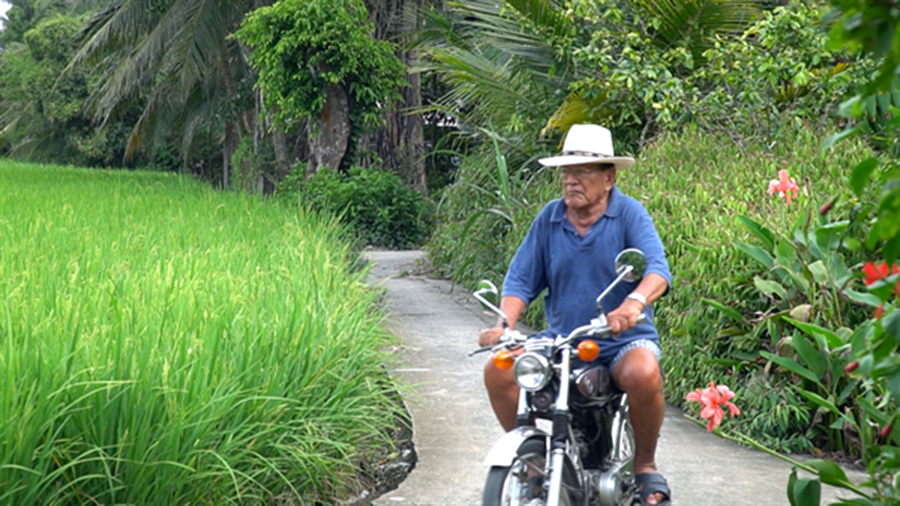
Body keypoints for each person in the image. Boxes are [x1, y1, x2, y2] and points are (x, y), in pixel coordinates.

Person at [478, 124, 672, 505]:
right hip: (563, 338)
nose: (571, 181)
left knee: (643, 372)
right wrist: (504, 324)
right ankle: (533, 460)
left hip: (620, 340)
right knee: (499, 370)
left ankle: (645, 466)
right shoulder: (549, 219)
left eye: (582, 172)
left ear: (609, 177)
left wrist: (633, 304)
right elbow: (520, 281)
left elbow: (657, 272)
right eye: (567, 172)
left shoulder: (629, 214)